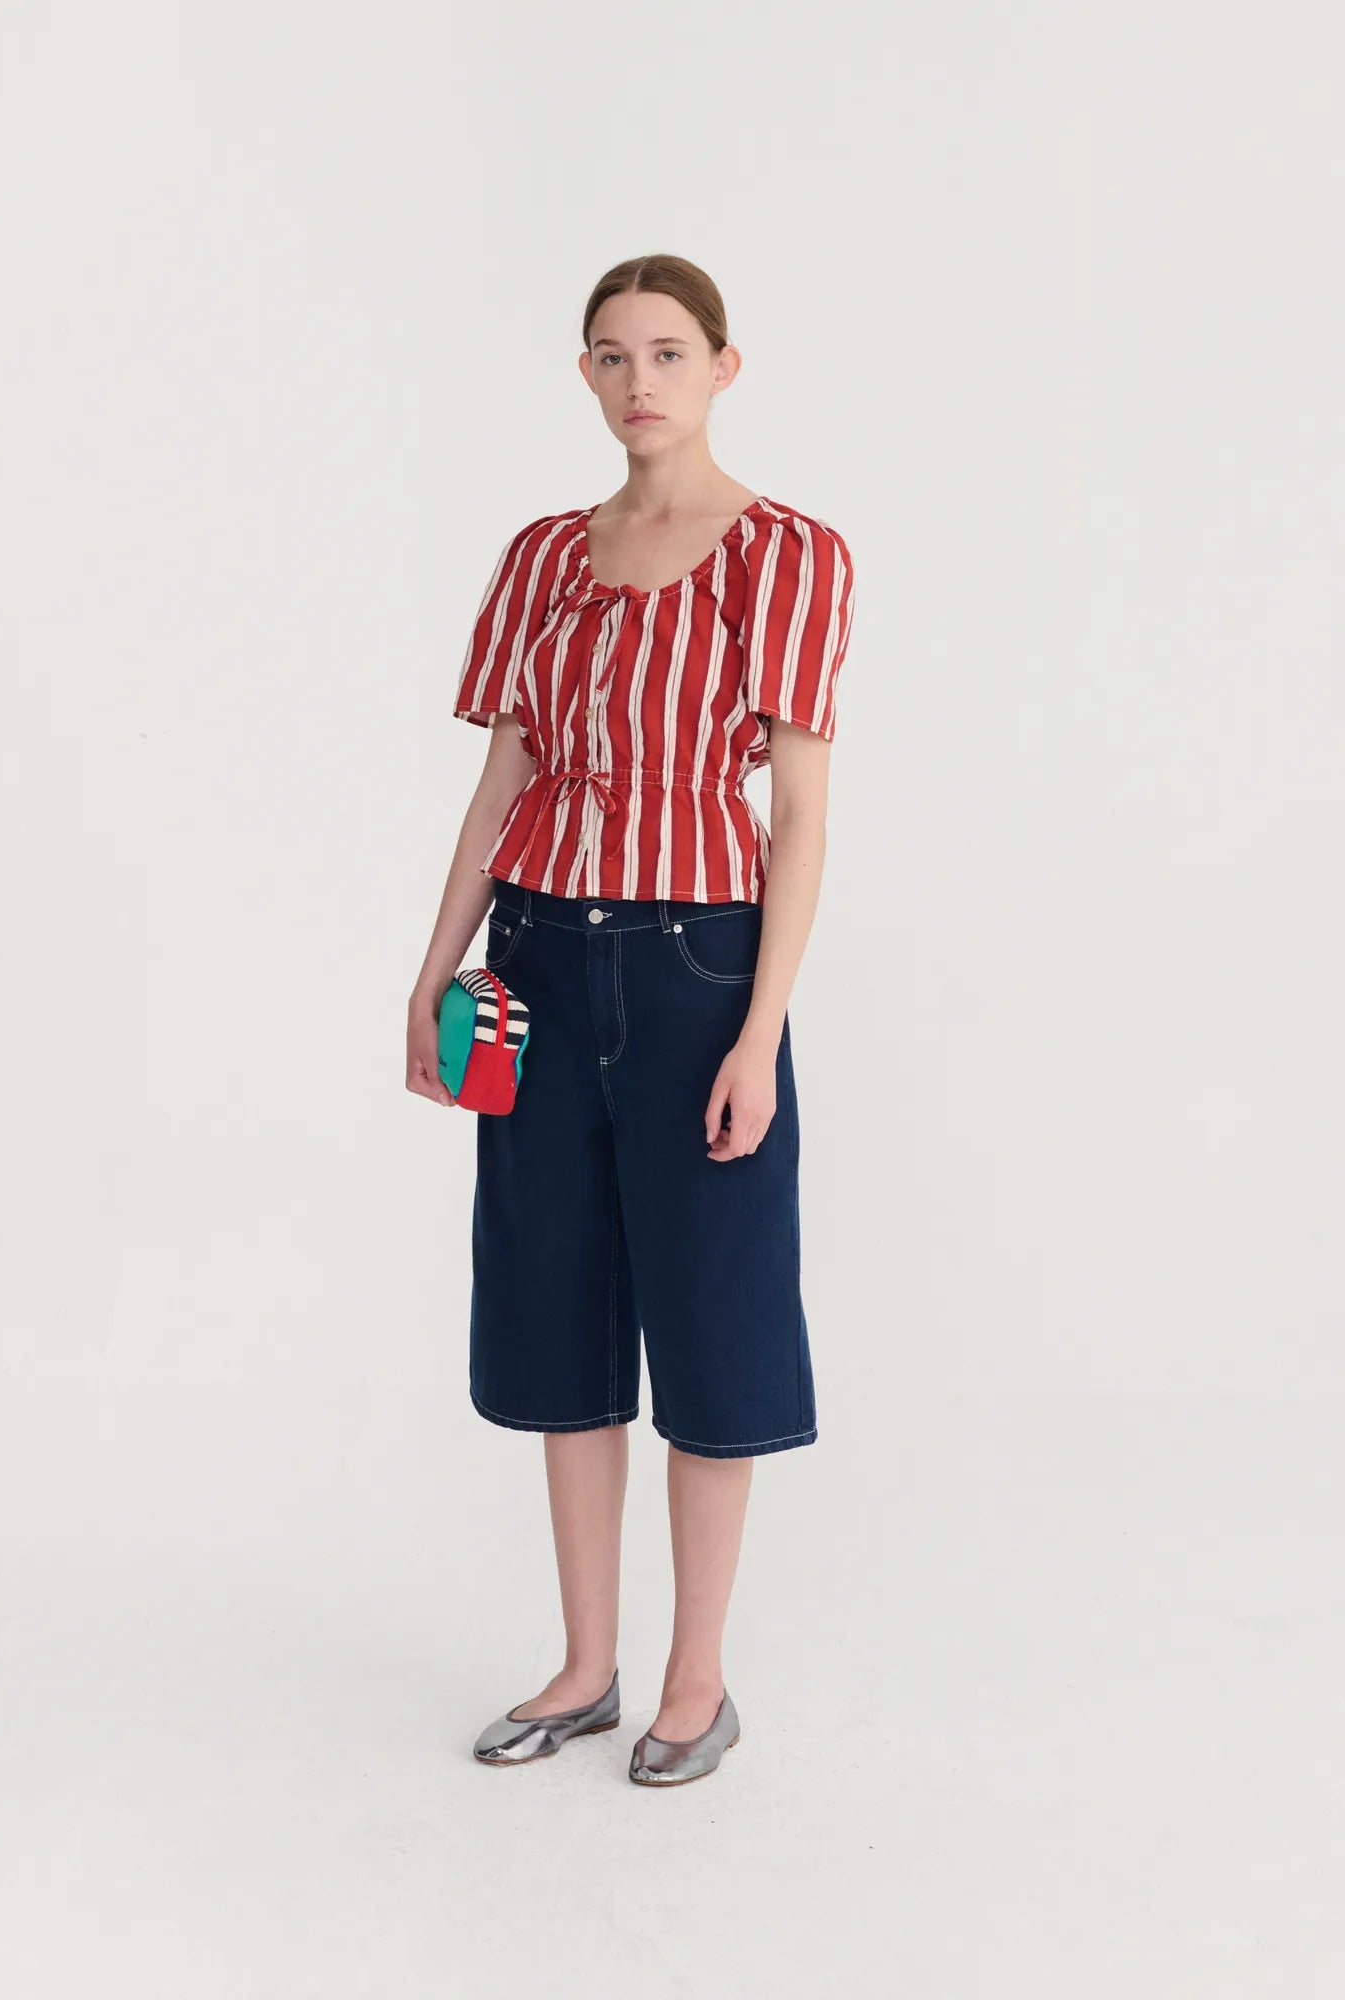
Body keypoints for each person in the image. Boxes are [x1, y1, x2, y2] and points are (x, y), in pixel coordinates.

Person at [405, 253, 856, 1787]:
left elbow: (799, 820)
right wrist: (436, 969)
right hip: (533, 955)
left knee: (713, 1314)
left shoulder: (787, 556)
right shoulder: (543, 556)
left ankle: (696, 1681)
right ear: (585, 375)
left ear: (725, 366)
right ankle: (586, 1666)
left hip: (697, 969)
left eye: (668, 352)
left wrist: (759, 1033)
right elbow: (506, 778)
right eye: (611, 354)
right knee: (558, 1306)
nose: (639, 380)